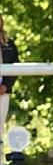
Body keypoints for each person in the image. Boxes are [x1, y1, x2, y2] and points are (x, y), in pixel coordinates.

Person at [0, 14, 20, 146]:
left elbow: (16, 66)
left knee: (0, 125)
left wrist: (5, 85)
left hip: (3, 92)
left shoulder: (9, 44)